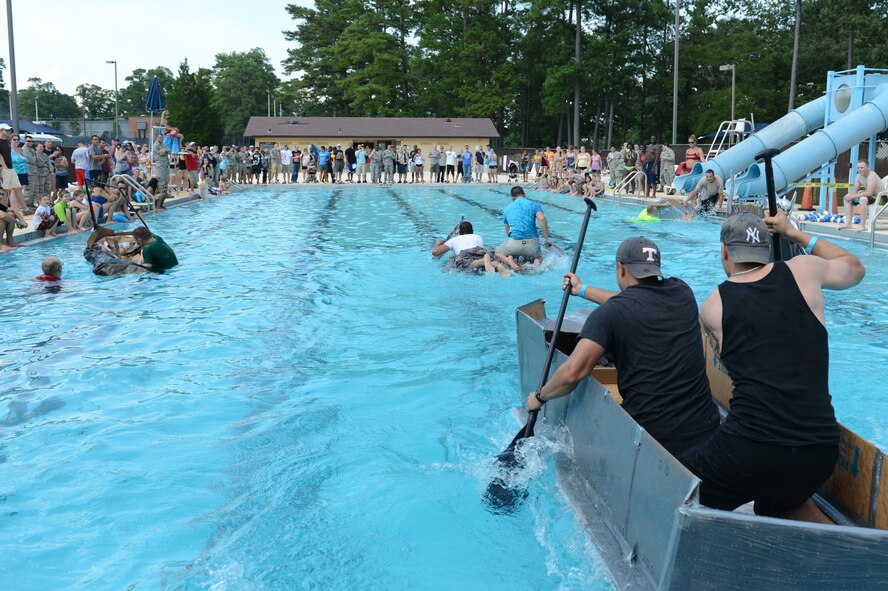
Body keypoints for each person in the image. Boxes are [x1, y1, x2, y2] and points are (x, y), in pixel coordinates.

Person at [689, 212, 864, 522]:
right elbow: (855, 268)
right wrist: (797, 234)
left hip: (751, 451)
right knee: (777, 500)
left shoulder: (714, 304)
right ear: (767, 249)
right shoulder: (805, 269)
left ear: (725, 251)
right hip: (819, 453)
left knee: (673, 485)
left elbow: (739, 369)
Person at [526, 236, 721, 459]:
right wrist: (582, 290)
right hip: (707, 429)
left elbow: (572, 374)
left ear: (620, 268)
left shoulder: (608, 316)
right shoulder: (682, 292)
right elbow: (636, 299)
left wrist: (540, 397)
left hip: (655, 443)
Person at [494, 186, 551, 269]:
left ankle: (510, 262)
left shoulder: (507, 209)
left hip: (514, 244)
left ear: (513, 198)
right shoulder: (534, 205)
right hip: (532, 245)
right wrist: (546, 239)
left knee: (498, 253)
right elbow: (542, 219)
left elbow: (508, 232)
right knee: (538, 256)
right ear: (524, 195)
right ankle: (536, 263)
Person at [431, 220, 510, 277]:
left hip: (464, 253)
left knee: (470, 266)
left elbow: (435, 252)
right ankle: (497, 265)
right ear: (472, 231)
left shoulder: (454, 239)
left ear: (459, 232)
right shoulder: (478, 237)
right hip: (480, 250)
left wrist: (437, 243)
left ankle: (483, 261)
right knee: (487, 260)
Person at [841, 159, 885, 232]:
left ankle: (862, 225)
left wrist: (853, 196)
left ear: (868, 167)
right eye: (858, 168)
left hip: (881, 199)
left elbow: (869, 193)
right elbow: (855, 191)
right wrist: (849, 196)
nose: (859, 170)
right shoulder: (858, 176)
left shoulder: (872, 175)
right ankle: (848, 223)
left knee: (863, 199)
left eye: (862, 167)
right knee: (846, 198)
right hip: (872, 198)